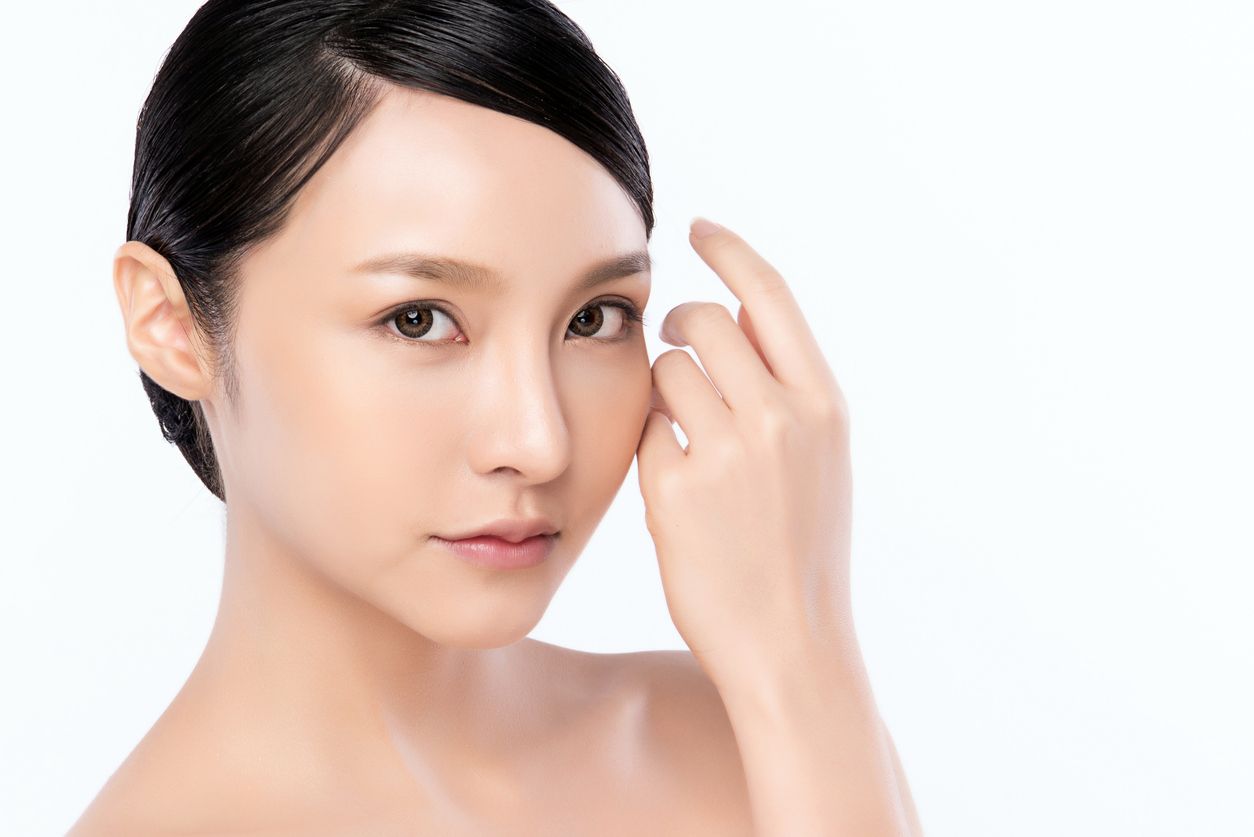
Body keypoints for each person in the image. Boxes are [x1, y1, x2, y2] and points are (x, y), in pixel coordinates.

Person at [70, 1, 921, 834]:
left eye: (594, 318)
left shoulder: (748, 736)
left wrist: (800, 656)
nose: (539, 442)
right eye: (418, 320)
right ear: (170, 324)